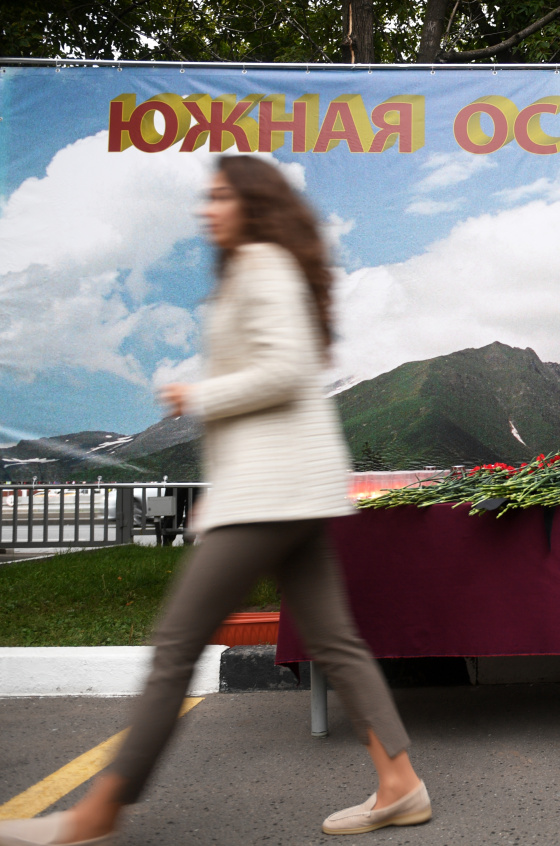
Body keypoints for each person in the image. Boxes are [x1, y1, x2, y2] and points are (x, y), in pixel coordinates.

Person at [0, 156, 430, 846]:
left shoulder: (262, 264)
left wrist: (197, 395)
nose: (208, 209)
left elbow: (286, 372)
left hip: (271, 496)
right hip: (288, 492)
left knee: (175, 645)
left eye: (221, 196)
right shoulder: (264, 269)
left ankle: (97, 813)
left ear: (254, 204)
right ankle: (400, 784)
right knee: (334, 641)